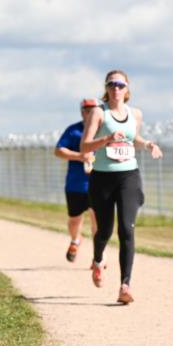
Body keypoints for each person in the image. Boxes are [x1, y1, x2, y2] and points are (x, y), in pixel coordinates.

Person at [80, 70, 162, 304]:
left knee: (127, 229)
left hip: (129, 176)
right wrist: (105, 140)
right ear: (106, 88)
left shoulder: (135, 113)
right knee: (104, 230)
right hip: (103, 178)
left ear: (127, 89)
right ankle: (98, 260)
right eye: (111, 84)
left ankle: (125, 286)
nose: (116, 88)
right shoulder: (98, 112)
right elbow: (85, 146)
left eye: (120, 85)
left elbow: (133, 138)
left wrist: (147, 144)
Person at [55, 98, 100, 263]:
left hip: (99, 184)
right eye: (87, 110)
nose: (90, 113)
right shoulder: (74, 131)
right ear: (82, 112)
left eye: (93, 109)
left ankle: (98, 255)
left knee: (98, 220)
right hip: (76, 184)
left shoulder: (103, 130)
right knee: (75, 219)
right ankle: (75, 240)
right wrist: (79, 156)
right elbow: (59, 150)